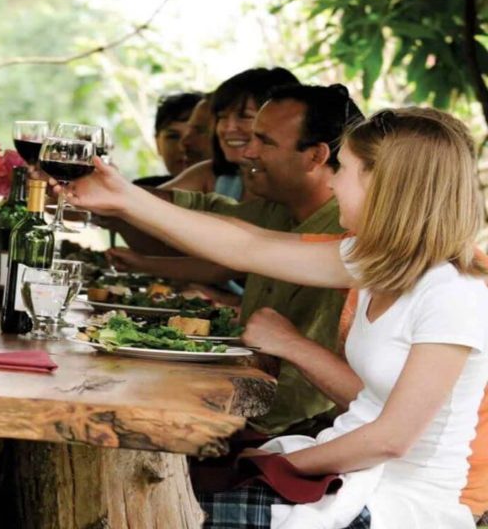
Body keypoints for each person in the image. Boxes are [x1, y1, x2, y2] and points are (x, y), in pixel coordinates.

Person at [64, 107, 488, 528]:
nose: (333, 180)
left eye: (343, 168)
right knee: (177, 484)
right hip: (345, 469)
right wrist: (125, 197)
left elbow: (392, 440)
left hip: (397, 503)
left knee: (182, 506)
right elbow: (249, 246)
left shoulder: (452, 293)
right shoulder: (376, 263)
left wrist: (278, 464)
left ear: (384, 186)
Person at [112, 85, 364, 437]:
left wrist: (120, 199)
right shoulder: (277, 209)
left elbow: (302, 402)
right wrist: (114, 198)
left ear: (316, 157)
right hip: (248, 416)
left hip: (288, 438)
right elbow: (219, 225)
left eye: (264, 141)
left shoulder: (358, 241)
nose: (245, 152)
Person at [162, 67, 299, 201]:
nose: (228, 128)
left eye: (244, 116)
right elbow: (150, 206)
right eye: (222, 117)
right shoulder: (211, 176)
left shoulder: (302, 185)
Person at [134, 91, 203, 187]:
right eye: (173, 137)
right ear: (158, 144)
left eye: (195, 135)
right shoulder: (139, 192)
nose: (183, 147)